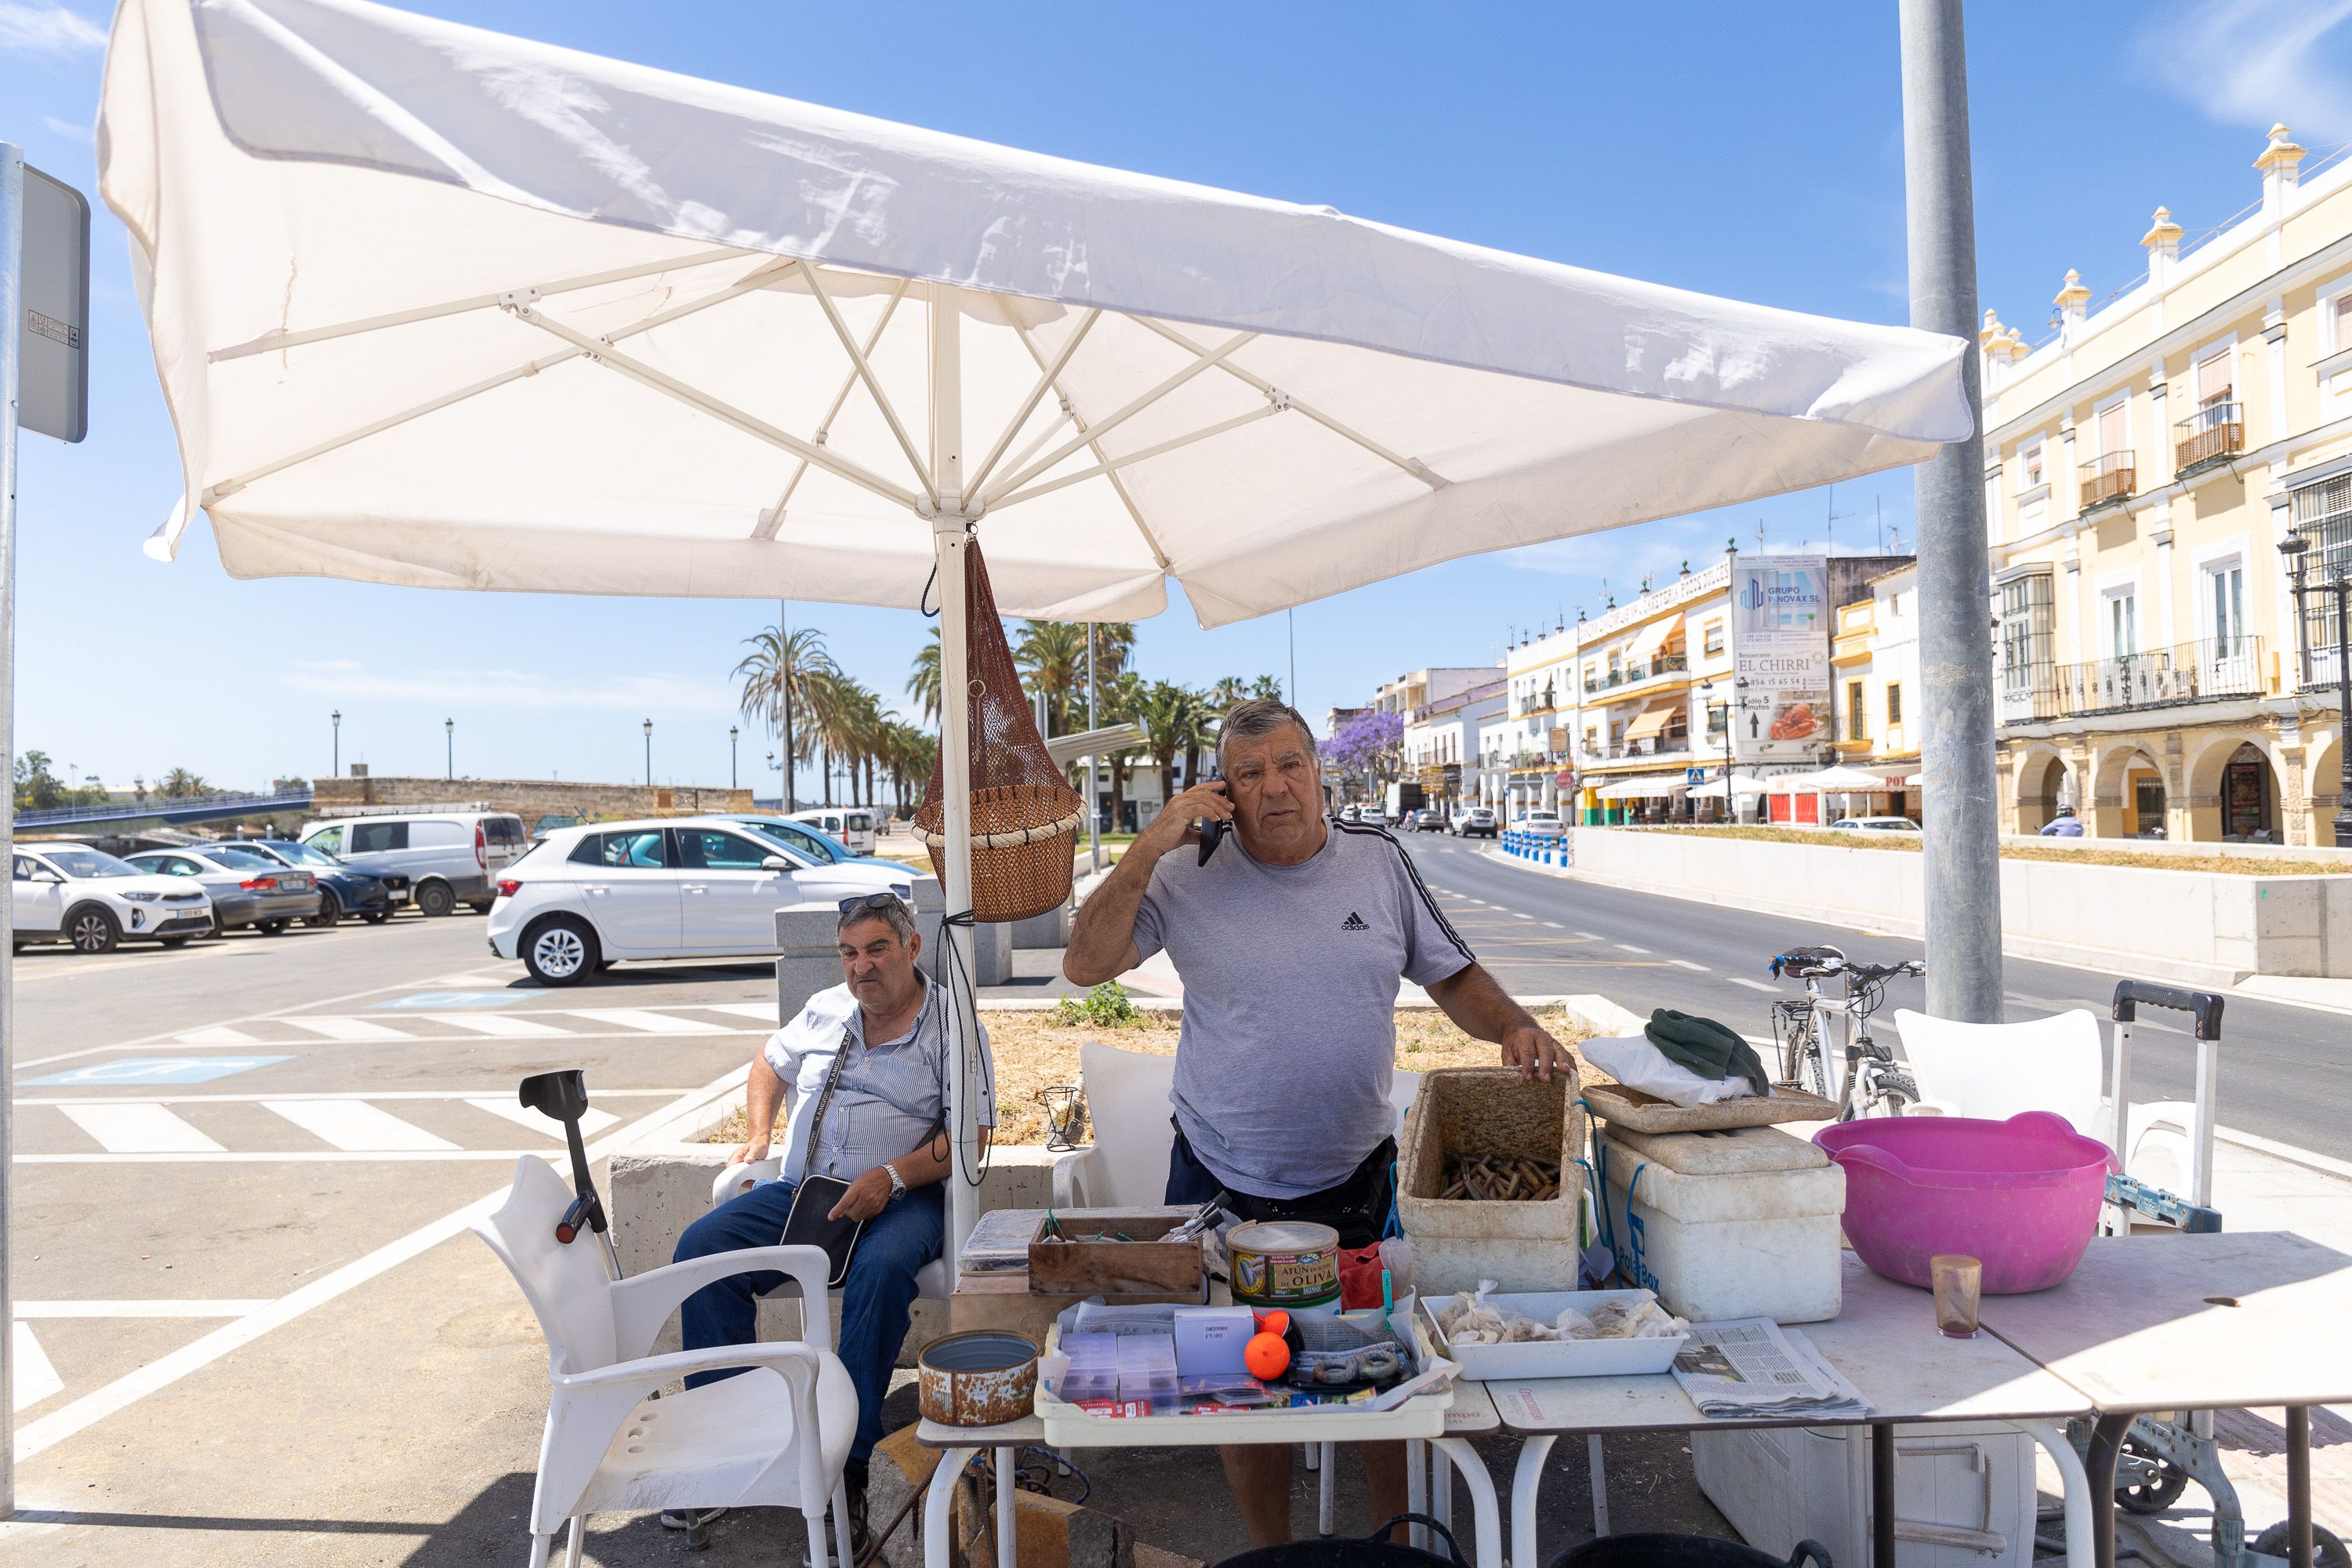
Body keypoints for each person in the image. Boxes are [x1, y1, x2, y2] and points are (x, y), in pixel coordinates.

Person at [1064, 696, 1574, 1547]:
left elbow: (1451, 973)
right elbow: (1084, 963)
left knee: (1379, 1375)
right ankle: (1274, 1554)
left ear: (1319, 771)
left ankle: (1395, 1549)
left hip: (1354, 1178)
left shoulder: (1377, 861)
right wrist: (1148, 845)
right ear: (1223, 789)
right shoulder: (1184, 873)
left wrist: (1515, 1023)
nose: (1276, 788)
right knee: (1238, 1385)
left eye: (1290, 764)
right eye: (1251, 772)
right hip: (1221, 1176)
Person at [667, 892, 993, 1551]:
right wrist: (759, 1133)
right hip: (805, 1192)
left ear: (912, 947)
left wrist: (892, 1177)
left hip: (904, 1196)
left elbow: (974, 1133)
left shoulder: (954, 1024)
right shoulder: (825, 1009)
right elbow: (769, 1060)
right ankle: (728, 1448)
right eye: (849, 953)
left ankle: (850, 1460)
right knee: (703, 1251)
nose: (861, 967)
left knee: (879, 1273)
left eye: (876, 949)